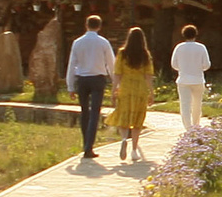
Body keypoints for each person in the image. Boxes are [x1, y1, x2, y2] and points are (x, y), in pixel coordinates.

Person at [66, 14, 114, 161]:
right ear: (99, 26)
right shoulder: (103, 42)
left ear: (86, 25)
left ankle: (85, 143)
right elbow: (111, 63)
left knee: (84, 112)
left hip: (82, 79)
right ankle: (89, 146)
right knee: (95, 113)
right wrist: (115, 82)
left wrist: (70, 85)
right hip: (98, 79)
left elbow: (72, 64)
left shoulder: (77, 42)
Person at [110, 26, 155, 161]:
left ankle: (124, 139)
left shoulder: (122, 53)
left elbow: (117, 73)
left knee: (123, 116)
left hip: (126, 88)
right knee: (137, 120)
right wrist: (151, 92)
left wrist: (114, 90)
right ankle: (134, 150)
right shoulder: (145, 55)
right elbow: (148, 75)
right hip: (140, 89)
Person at [169, 24, 210, 131]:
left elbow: (174, 64)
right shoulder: (201, 47)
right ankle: (196, 125)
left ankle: (188, 127)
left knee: (185, 104)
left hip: (183, 80)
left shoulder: (179, 47)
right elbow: (206, 65)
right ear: (196, 34)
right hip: (198, 79)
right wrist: (199, 68)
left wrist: (182, 69)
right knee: (197, 104)